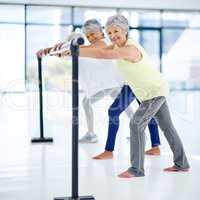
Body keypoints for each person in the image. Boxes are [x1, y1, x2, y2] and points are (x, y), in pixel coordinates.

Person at [61, 14, 190, 177]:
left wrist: (74, 51)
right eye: (109, 33)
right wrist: (70, 50)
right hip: (149, 91)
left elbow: (102, 55)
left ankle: (136, 169)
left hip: (154, 91)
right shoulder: (116, 46)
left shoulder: (129, 49)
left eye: (116, 31)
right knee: (167, 127)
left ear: (125, 30)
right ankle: (182, 163)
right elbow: (98, 50)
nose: (113, 35)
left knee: (136, 124)